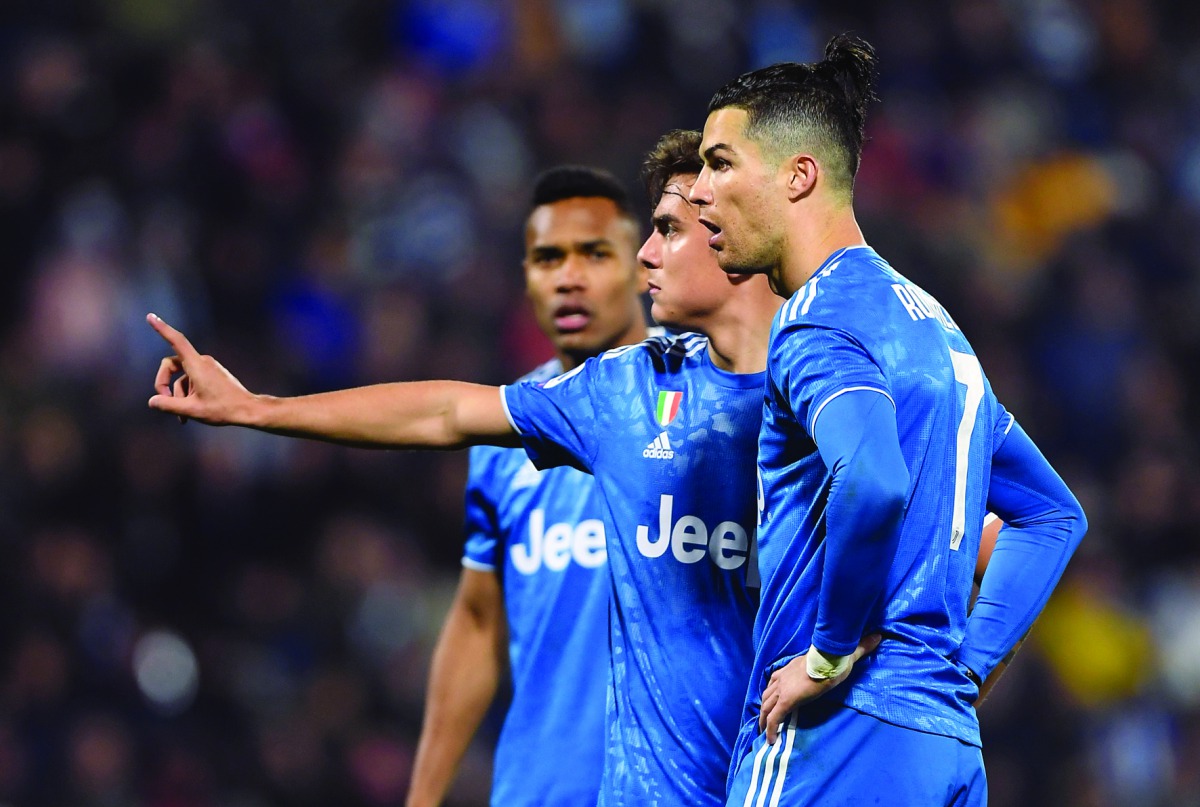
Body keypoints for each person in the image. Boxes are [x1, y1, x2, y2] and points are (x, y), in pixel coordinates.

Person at [146, 130, 797, 805]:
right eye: (548, 257)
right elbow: (447, 417)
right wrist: (260, 409)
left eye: (659, 232)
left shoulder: (832, 396)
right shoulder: (617, 397)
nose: (641, 256)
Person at [689, 35, 1088, 806]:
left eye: (720, 162)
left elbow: (870, 482)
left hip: (837, 738)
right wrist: (963, 671)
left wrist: (829, 655)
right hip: (942, 747)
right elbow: (1052, 516)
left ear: (799, 175)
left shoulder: (818, 321)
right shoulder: (938, 332)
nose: (700, 190)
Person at [407, 166, 649, 807]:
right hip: (537, 791)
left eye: (595, 254)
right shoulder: (500, 444)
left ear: (642, 264)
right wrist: (424, 796)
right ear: (527, 278)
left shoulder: (711, 403)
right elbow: (479, 620)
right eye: (548, 258)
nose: (569, 277)